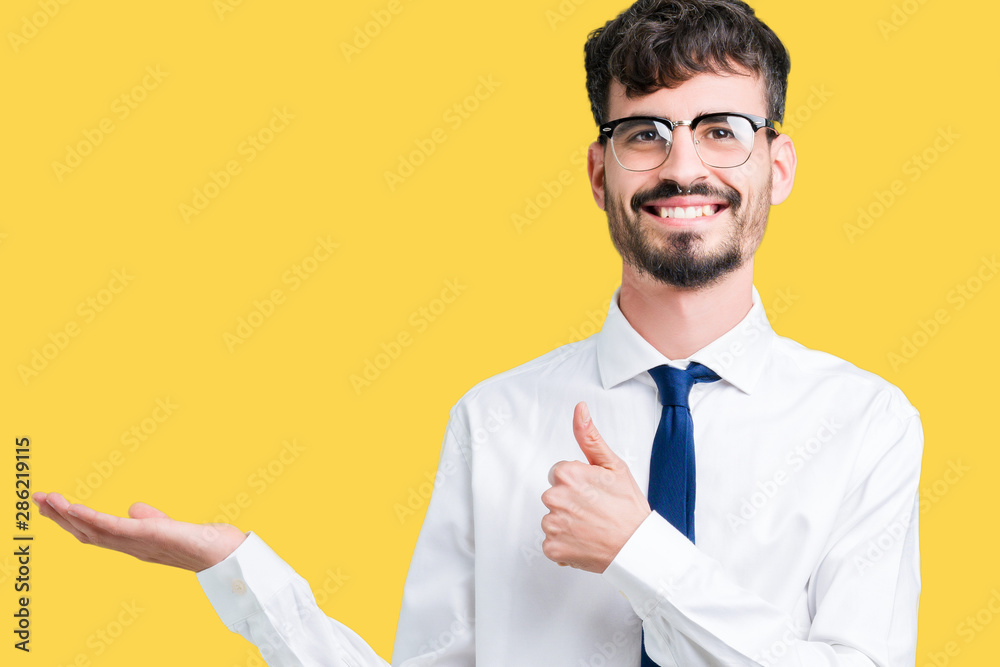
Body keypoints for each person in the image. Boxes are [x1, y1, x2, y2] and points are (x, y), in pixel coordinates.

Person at [34, 1, 923, 665]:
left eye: (720, 131)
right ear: (598, 168)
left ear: (777, 163)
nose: (683, 165)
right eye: (645, 134)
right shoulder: (496, 418)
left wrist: (640, 552)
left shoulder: (865, 425)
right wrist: (246, 575)